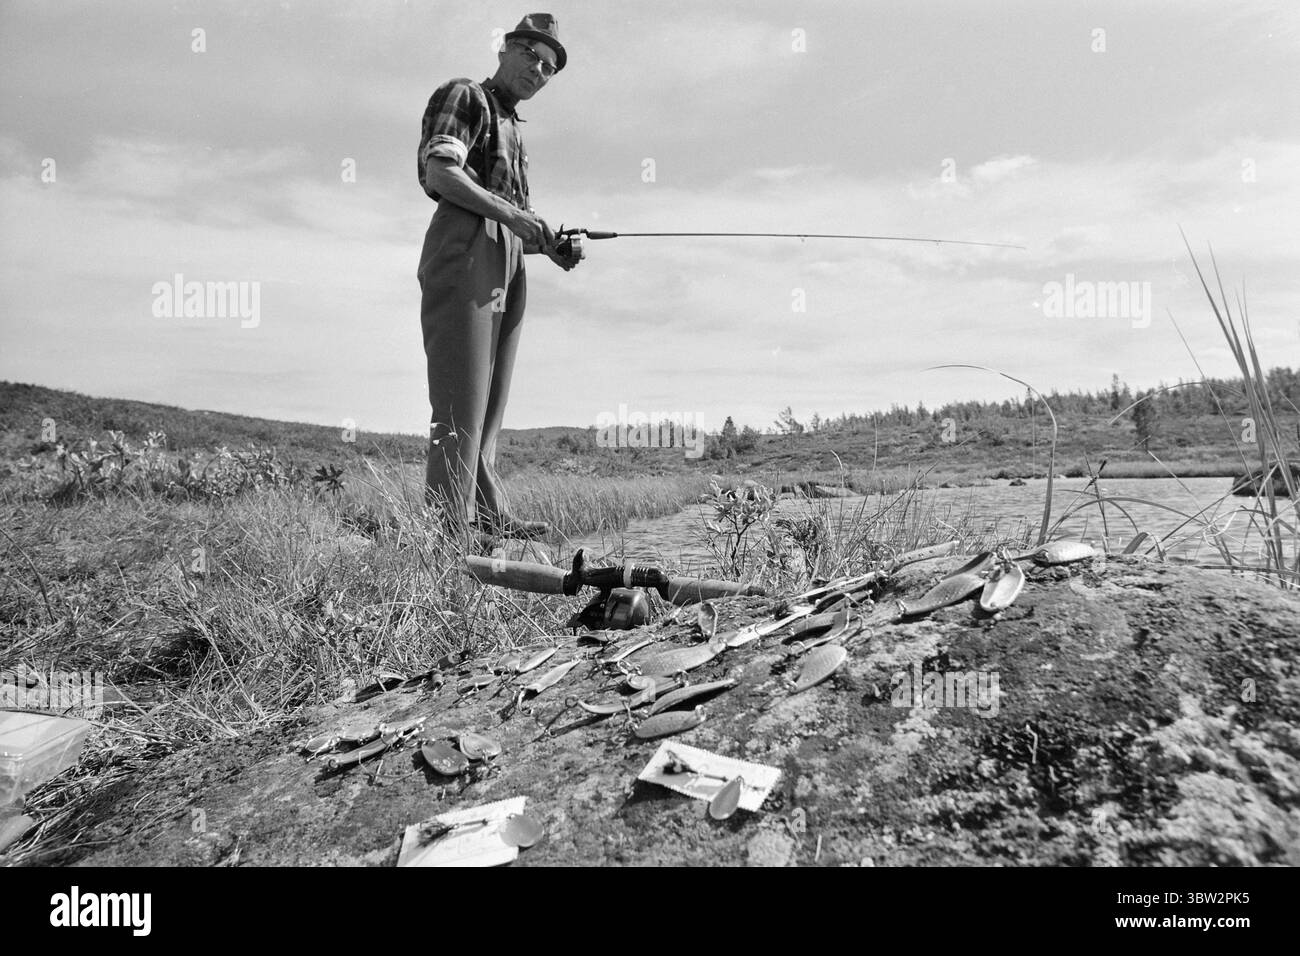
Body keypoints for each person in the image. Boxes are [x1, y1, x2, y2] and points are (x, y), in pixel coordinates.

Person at [416, 13, 580, 542]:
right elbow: (441, 172)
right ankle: (447, 534)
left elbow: (520, 216)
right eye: (532, 55)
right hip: (465, 243)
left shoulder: (514, 126)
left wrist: (552, 246)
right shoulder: (467, 95)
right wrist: (510, 217)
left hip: (510, 256)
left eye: (550, 67)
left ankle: (486, 512)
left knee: (491, 402)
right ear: (506, 48)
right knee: (461, 398)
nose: (539, 70)